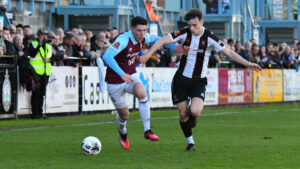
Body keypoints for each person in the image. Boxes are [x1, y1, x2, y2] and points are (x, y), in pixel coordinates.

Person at [139, 8, 262, 152]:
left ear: (201, 22)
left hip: (198, 80)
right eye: (189, 25)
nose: (191, 28)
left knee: (195, 111)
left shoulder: (210, 37)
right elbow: (162, 41)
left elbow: (228, 52)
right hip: (181, 79)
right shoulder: (184, 32)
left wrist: (247, 64)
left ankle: (192, 120)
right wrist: (147, 55)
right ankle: (190, 143)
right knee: (182, 112)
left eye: (194, 25)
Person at [102, 16, 179, 150]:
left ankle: (147, 130)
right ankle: (122, 131)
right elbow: (107, 56)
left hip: (131, 75)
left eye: (144, 30)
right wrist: (122, 74)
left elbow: (158, 40)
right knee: (124, 115)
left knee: (142, 93)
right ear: (132, 29)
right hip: (115, 81)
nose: (142, 33)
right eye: (139, 30)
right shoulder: (123, 40)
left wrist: (175, 47)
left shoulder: (143, 37)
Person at [28, 28, 52, 119]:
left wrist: (49, 60)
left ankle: (40, 113)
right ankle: (35, 113)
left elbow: (53, 58)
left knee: (42, 93)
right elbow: (32, 54)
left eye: (45, 35)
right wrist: (39, 45)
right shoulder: (33, 44)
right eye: (42, 34)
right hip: (35, 72)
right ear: (38, 35)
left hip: (45, 72)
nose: (43, 36)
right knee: (36, 93)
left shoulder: (49, 46)